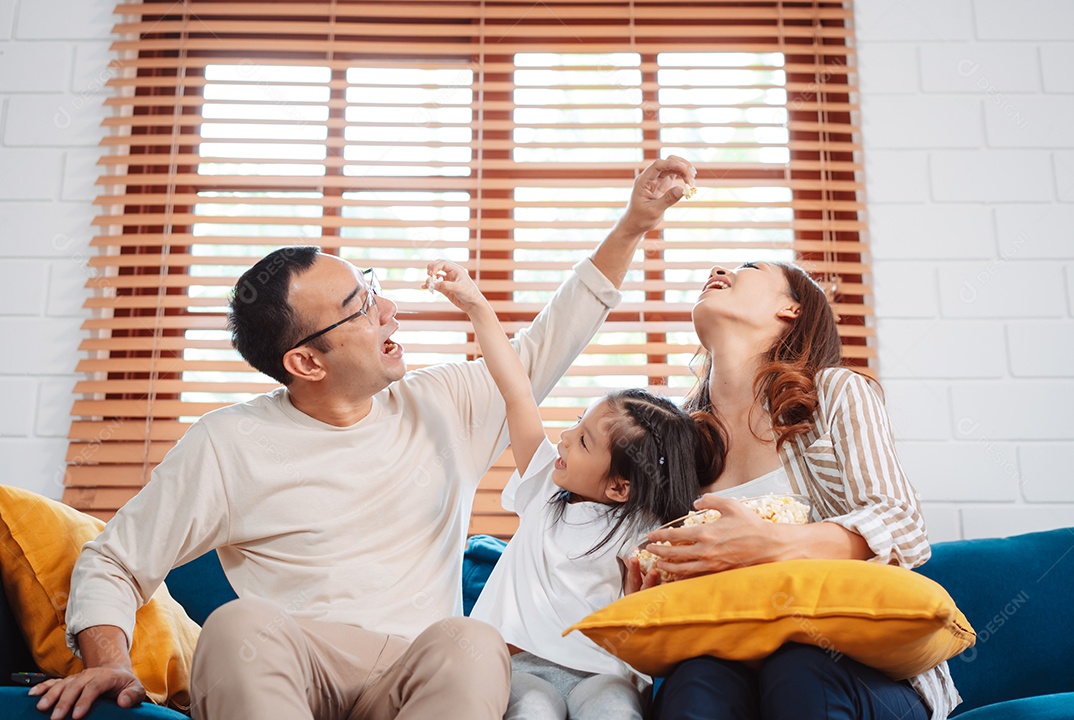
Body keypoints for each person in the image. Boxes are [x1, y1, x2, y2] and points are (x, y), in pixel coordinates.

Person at [30, 155, 698, 720]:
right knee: (234, 626)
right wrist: (109, 663)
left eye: (370, 287)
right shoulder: (227, 444)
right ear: (306, 363)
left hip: (415, 671)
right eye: (359, 307)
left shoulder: (443, 403)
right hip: (293, 665)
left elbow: (549, 342)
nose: (389, 310)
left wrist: (635, 224)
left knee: (471, 641)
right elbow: (113, 561)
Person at [627, 261, 959, 720]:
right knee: (694, 683)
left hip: (857, 668)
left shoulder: (835, 392)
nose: (718, 268)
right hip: (729, 655)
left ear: (791, 308)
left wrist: (773, 545)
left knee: (801, 670)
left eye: (748, 266)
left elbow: (902, 523)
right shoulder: (679, 441)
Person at [425, 260, 725, 720]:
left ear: (622, 486)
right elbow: (517, 391)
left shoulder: (650, 536)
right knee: (534, 712)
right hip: (519, 666)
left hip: (604, 675)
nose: (563, 439)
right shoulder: (545, 485)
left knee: (614, 713)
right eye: (576, 427)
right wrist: (474, 303)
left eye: (583, 440)